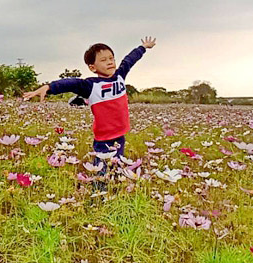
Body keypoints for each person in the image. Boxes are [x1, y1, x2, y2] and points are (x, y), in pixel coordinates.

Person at [23, 38, 156, 187]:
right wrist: (49, 87)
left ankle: (115, 191)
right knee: (102, 170)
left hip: (120, 135)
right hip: (103, 138)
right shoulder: (91, 85)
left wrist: (143, 47)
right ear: (93, 67)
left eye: (111, 58)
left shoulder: (119, 76)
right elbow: (70, 83)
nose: (110, 62)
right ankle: (98, 196)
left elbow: (129, 60)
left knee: (117, 166)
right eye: (104, 60)